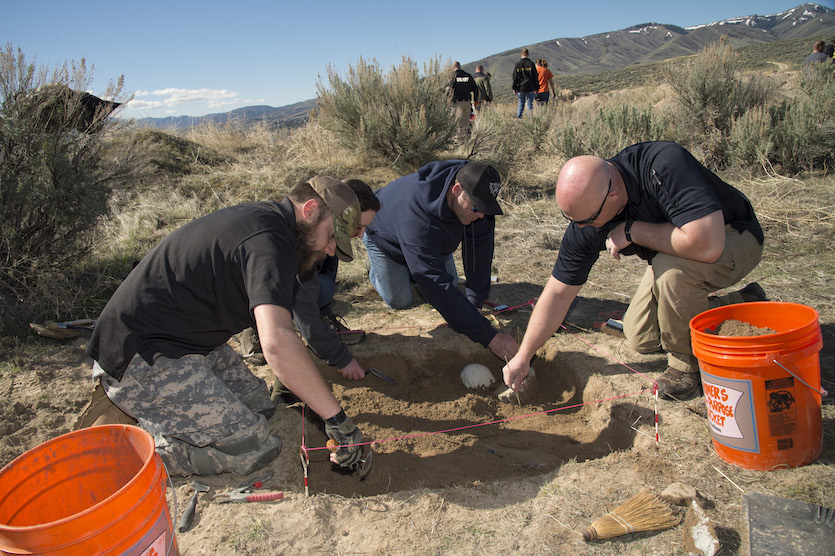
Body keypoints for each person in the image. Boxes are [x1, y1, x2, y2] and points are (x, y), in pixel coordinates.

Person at [84, 177, 368, 476]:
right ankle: (124, 461)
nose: (332, 250)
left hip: (190, 344)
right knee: (252, 448)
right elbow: (277, 342)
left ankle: (158, 418)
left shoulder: (272, 228)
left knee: (260, 407)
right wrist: (337, 420)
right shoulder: (268, 243)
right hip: (141, 358)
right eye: (332, 235)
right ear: (310, 210)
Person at [501, 141, 766, 402]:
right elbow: (558, 293)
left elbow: (707, 244)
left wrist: (632, 230)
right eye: (573, 222)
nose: (582, 229)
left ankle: (686, 370)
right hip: (674, 253)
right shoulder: (588, 217)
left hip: (732, 237)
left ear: (613, 194)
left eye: (587, 221)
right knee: (640, 335)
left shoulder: (663, 165)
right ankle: (741, 305)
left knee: (671, 272)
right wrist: (523, 356)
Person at [363, 160, 519, 361]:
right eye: (476, 208)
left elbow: (480, 251)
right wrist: (489, 337)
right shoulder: (417, 218)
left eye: (484, 208)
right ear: (456, 189)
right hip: (384, 236)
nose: (481, 215)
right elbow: (435, 285)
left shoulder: (475, 193)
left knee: (453, 287)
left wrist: (475, 302)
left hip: (433, 243)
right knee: (400, 300)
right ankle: (374, 268)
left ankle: (416, 265)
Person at [446, 61, 479, 142]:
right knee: (465, 124)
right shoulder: (468, 76)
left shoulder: (452, 76)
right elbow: (475, 89)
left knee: (456, 124)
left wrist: (447, 101)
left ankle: (458, 143)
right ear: (460, 67)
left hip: (456, 103)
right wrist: (475, 101)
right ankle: (465, 142)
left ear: (453, 67)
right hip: (467, 102)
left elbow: (447, 89)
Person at [512, 48, 538, 118]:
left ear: (521, 54)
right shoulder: (531, 64)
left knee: (521, 104)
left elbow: (515, 77)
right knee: (530, 104)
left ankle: (519, 118)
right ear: (528, 54)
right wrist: (537, 87)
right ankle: (530, 119)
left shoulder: (518, 64)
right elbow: (535, 76)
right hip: (530, 87)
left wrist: (514, 88)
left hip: (521, 87)